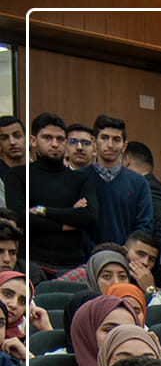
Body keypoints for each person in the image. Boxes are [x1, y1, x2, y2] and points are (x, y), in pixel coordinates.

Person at [25, 113, 96, 276]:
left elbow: (88, 216)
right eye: (47, 138)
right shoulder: (21, 175)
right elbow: (23, 218)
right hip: (33, 261)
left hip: (74, 261)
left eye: (60, 139)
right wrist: (68, 218)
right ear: (33, 141)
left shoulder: (81, 179)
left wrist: (42, 210)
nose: (54, 144)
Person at [84, 116, 154, 247]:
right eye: (104, 138)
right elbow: (75, 224)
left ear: (124, 145)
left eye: (116, 139)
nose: (110, 145)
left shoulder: (139, 183)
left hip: (125, 256)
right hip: (86, 256)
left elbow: (144, 225)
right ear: (94, 142)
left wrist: (127, 250)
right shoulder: (79, 178)